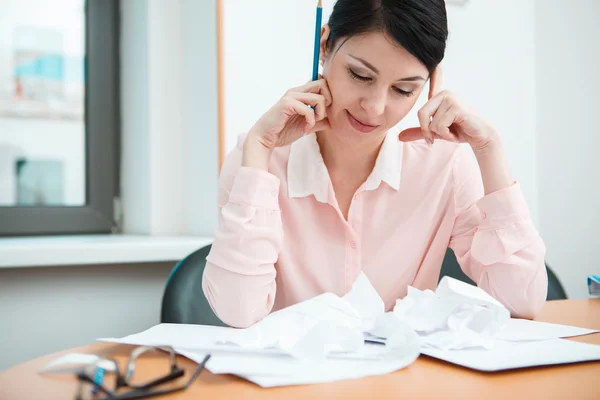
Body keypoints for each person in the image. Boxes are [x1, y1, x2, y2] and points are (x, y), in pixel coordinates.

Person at [203, 0, 548, 328]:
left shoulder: (444, 166)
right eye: (360, 75)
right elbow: (238, 311)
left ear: (429, 85)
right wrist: (259, 150)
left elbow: (521, 301)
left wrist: (490, 149)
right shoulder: (258, 162)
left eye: (403, 89)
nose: (375, 107)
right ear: (324, 46)